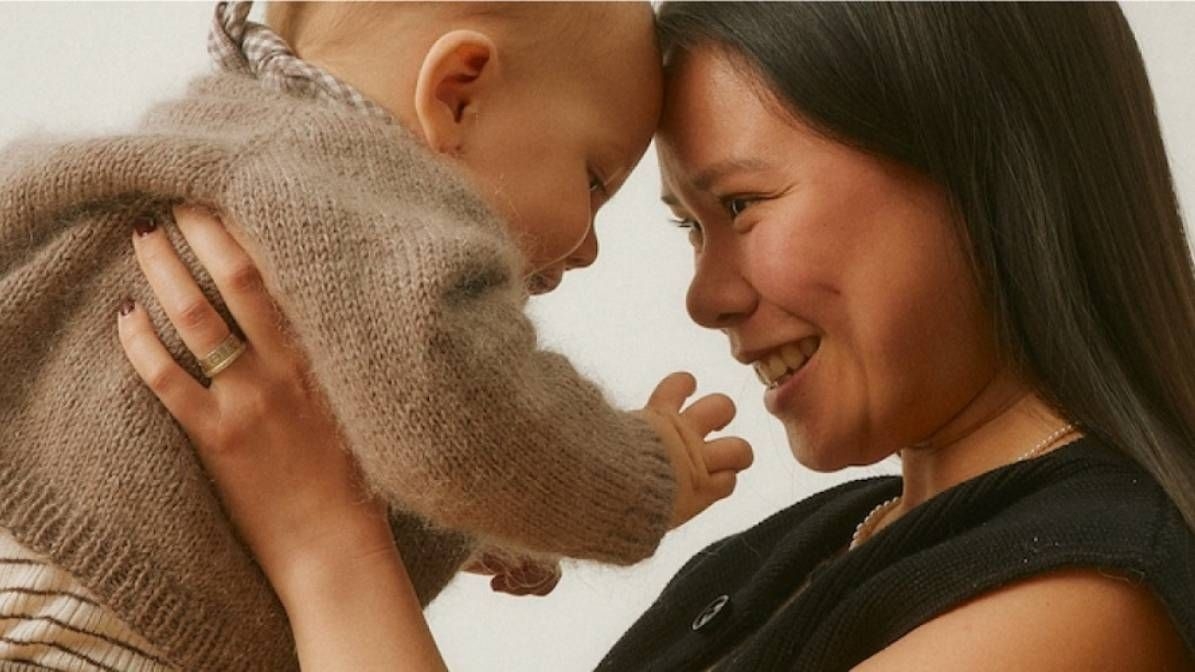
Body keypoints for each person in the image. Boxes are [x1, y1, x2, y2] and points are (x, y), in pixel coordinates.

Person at [118, 2, 1195, 670]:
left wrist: (320, 535)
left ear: (982, 176)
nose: (705, 295)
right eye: (686, 226)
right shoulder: (812, 549)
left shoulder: (1081, 609)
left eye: (740, 206)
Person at [0, 2, 752, 669]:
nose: (588, 245)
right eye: (594, 178)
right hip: (101, 621)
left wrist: (479, 527)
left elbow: (364, 416)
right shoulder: (369, 202)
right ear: (458, 94)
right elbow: (465, 422)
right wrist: (647, 473)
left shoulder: (225, 135)